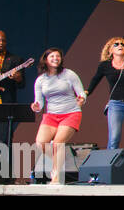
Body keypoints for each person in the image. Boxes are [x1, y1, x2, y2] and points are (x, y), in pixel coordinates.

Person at [29, 48, 84, 184]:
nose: (55, 58)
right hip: (52, 115)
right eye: (52, 56)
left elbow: (81, 93)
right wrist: (36, 107)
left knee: (58, 143)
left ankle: (56, 177)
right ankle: (58, 159)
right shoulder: (41, 80)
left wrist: (82, 99)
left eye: (58, 56)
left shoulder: (69, 74)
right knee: (40, 143)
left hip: (71, 113)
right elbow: (40, 102)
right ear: (46, 59)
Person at [84, 37, 124, 151]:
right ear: (110, 50)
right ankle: (111, 165)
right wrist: (87, 92)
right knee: (114, 137)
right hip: (116, 104)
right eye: (116, 44)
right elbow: (95, 79)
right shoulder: (105, 65)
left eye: (122, 44)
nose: (120, 46)